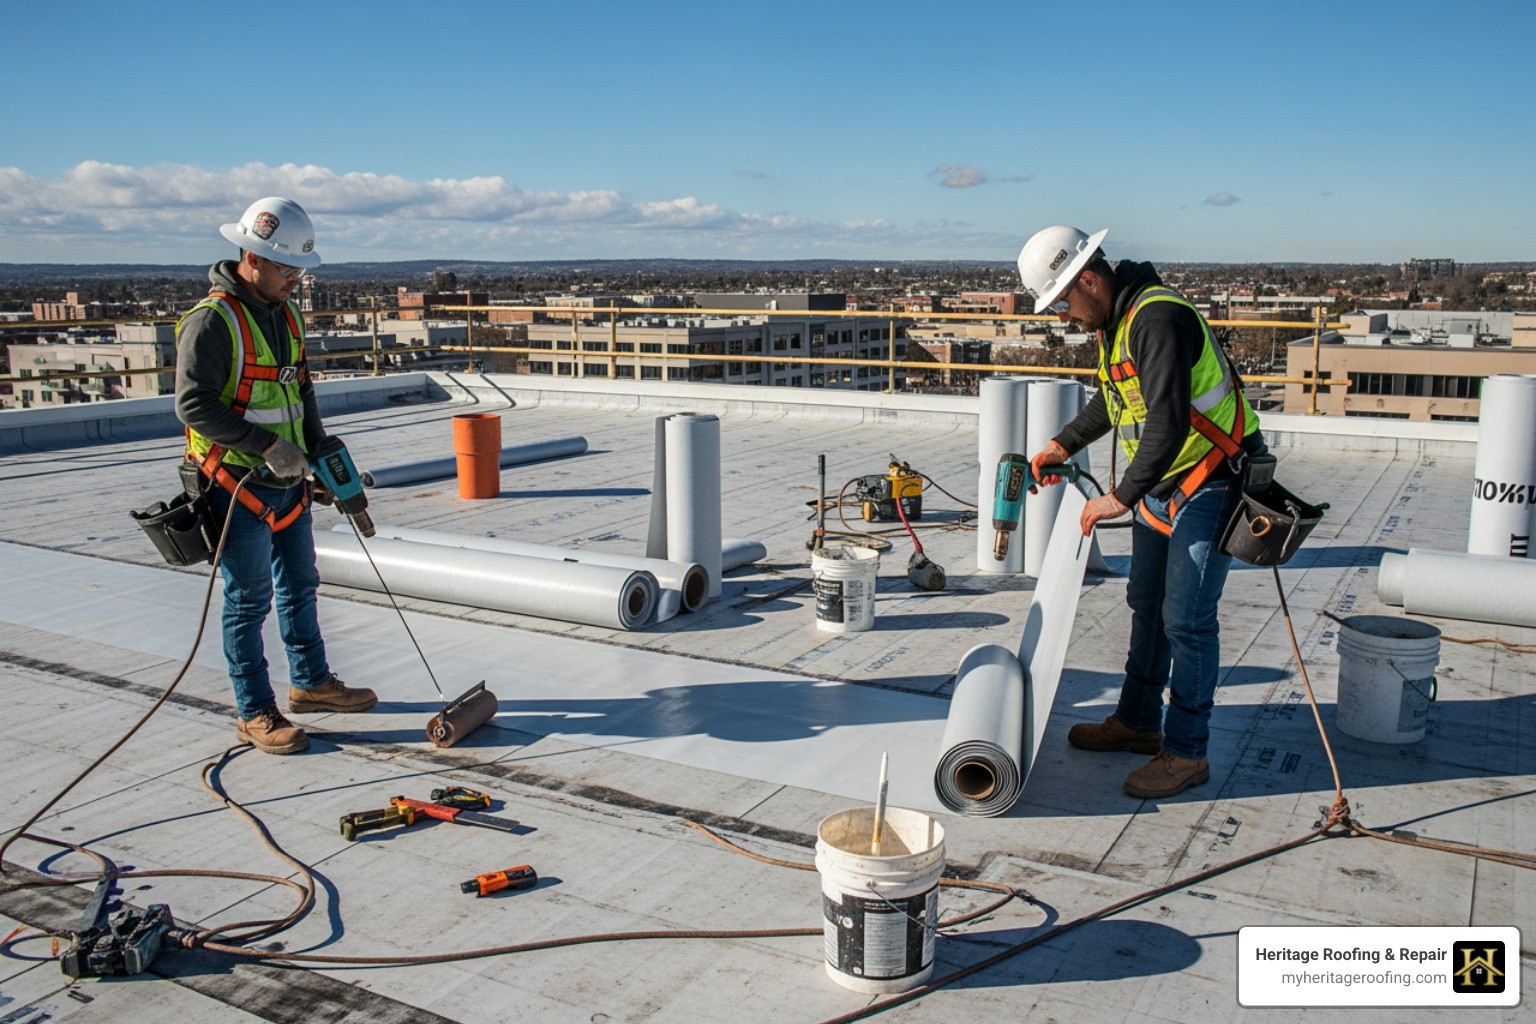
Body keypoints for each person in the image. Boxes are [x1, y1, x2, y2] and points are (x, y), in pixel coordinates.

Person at [1018, 226, 1266, 799]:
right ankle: (1137, 721)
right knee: (1146, 606)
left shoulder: (1155, 318)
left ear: (1089, 279)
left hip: (1212, 479)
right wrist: (1062, 444)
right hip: (1165, 482)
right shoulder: (1117, 322)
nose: (1062, 317)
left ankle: (1185, 752)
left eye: (1063, 303)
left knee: (1187, 619)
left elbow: (1168, 420)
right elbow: (1115, 400)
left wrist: (1119, 497)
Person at [175, 196, 377, 754]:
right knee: (248, 600)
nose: (295, 278)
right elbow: (193, 406)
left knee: (301, 585)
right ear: (251, 256)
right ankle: (254, 712)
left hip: (288, 481)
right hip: (236, 484)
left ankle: (311, 683)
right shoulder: (212, 322)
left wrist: (320, 454)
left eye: (300, 269)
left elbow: (299, 388)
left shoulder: (286, 314)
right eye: (286, 267)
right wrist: (265, 445)